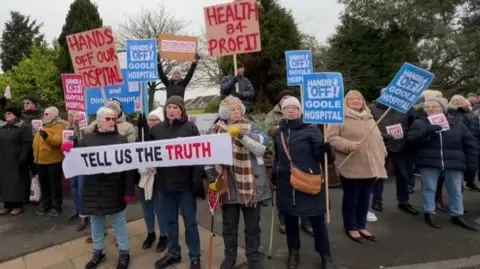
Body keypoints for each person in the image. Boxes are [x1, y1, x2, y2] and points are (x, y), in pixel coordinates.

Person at [63, 106, 136, 269]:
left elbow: (129, 168)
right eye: (108, 119)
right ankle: (98, 252)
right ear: (99, 121)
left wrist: (128, 190)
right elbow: (76, 160)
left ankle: (124, 253)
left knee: (119, 223)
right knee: (96, 223)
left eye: (114, 119)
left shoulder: (121, 139)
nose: (112, 122)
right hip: (93, 189)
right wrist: (69, 150)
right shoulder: (87, 139)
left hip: (114, 188)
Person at [272, 97, 335, 269]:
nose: (290, 111)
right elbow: (278, 156)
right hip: (286, 183)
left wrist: (327, 151)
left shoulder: (311, 130)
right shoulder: (279, 132)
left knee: (317, 221)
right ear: (283, 112)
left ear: (300, 111)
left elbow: (325, 159)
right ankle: (293, 252)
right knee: (291, 221)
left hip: (308, 182)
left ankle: (325, 256)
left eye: (294, 108)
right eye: (287, 108)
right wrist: (274, 173)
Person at [210, 95, 272, 269]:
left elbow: (262, 145)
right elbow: (209, 155)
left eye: (238, 108)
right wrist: (211, 177)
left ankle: (253, 257)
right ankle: (230, 257)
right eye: (232, 109)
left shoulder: (252, 126)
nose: (236, 111)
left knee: (253, 227)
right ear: (224, 112)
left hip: (252, 185)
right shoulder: (215, 130)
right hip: (228, 185)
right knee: (229, 226)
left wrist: (242, 134)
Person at [408, 97, 478, 230]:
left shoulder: (457, 123)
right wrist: (427, 130)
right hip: (428, 161)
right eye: (427, 107)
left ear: (443, 108)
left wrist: (472, 162)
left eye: (434, 106)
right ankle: (429, 212)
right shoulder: (419, 123)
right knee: (429, 188)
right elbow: (411, 141)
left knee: (455, 190)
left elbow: (469, 143)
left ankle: (457, 214)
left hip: (453, 161)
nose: (430, 109)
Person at [327, 90, 387, 244]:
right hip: (351, 164)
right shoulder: (338, 117)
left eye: (359, 98)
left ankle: (361, 225)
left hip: (371, 164)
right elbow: (331, 137)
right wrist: (348, 145)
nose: (356, 101)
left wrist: (382, 153)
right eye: (352, 99)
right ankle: (351, 226)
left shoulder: (369, 116)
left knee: (365, 197)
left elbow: (377, 137)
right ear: (346, 102)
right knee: (352, 197)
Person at [151, 96, 202, 269]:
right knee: (169, 222)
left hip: (184, 186)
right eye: (169, 107)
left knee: (190, 222)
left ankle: (195, 256)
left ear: (181, 110)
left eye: (175, 107)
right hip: (164, 186)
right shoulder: (156, 129)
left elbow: (199, 155)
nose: (171, 110)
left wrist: (196, 181)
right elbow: (145, 152)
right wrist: (141, 134)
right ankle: (173, 253)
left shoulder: (190, 128)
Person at [264, 90, 314, 234]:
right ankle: (284, 221)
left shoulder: (302, 115)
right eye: (284, 99)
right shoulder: (272, 115)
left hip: (302, 160)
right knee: (284, 194)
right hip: (282, 157)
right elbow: (267, 130)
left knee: (303, 191)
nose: (288, 104)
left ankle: (305, 220)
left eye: (290, 99)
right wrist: (280, 128)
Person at [370, 89, 419, 215]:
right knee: (378, 175)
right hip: (381, 145)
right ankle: (376, 200)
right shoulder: (373, 108)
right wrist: (382, 135)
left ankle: (404, 201)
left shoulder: (406, 108)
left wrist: (407, 135)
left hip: (401, 146)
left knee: (403, 175)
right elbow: (368, 126)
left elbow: (416, 124)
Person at [135, 108, 168, 252]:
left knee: (160, 209)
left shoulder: (165, 136)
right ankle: (150, 233)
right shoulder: (141, 136)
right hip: (143, 179)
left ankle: (163, 235)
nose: (152, 123)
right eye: (150, 120)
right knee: (146, 209)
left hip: (159, 179)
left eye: (155, 120)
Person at [33, 107, 67, 217]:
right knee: (44, 184)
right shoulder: (43, 126)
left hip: (53, 160)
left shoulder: (58, 126)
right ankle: (46, 205)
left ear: (54, 115)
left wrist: (45, 135)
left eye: (46, 114)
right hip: (40, 160)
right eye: (44, 113)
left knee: (55, 184)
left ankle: (56, 206)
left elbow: (57, 142)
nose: (44, 115)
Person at [0, 107, 33, 216]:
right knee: (5, 182)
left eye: (10, 113)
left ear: (16, 115)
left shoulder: (23, 127)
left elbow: (27, 144)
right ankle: (7, 204)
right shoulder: (3, 127)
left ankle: (18, 205)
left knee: (17, 182)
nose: (7, 115)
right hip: (4, 159)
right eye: (6, 114)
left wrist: (23, 158)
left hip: (17, 159)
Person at [447, 95, 480, 191]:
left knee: (472, 164)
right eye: (455, 100)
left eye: (460, 100)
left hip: (470, 140)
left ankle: (470, 181)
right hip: (455, 141)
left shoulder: (472, 113)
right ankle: (459, 184)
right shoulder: (449, 112)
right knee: (458, 164)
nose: (458, 101)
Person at [66, 111, 89, 231]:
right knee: (74, 188)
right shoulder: (68, 129)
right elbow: (64, 146)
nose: (75, 118)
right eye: (71, 115)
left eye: (77, 116)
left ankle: (84, 215)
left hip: (83, 164)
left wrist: (80, 140)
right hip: (72, 162)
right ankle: (79, 210)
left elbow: (90, 145)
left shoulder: (87, 130)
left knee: (81, 189)